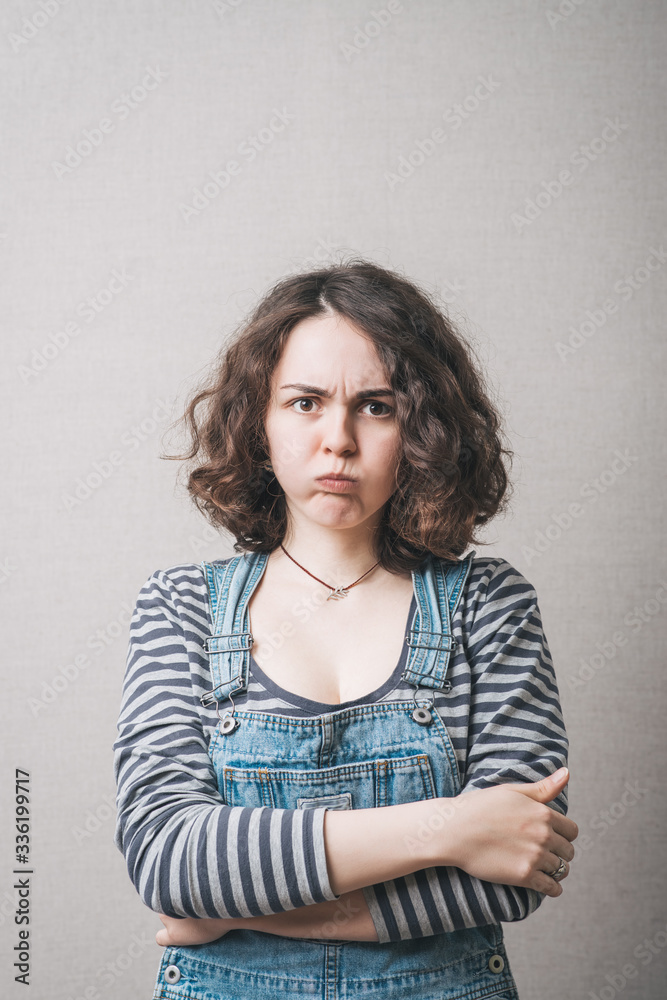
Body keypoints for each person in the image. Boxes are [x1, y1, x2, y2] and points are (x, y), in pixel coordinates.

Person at [113, 258, 578, 1000]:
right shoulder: (181, 607)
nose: (338, 439)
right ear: (258, 421)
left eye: (376, 407)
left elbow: (517, 869)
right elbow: (168, 856)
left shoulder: (490, 606)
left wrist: (230, 911)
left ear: (423, 429)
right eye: (304, 402)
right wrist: (451, 829)